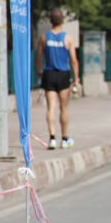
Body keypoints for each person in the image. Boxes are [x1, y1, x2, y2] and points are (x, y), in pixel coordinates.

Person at [36, 8, 79, 150]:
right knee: (64, 108)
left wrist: (39, 72)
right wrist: (76, 79)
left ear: (50, 21)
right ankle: (65, 138)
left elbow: (38, 57)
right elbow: (73, 60)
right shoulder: (68, 38)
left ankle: (52, 138)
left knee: (50, 108)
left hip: (49, 74)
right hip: (63, 74)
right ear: (62, 21)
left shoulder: (44, 37)